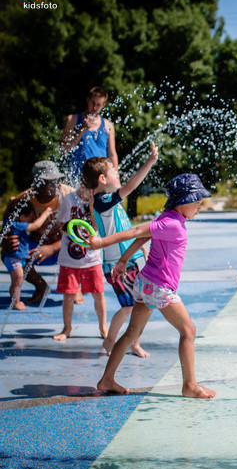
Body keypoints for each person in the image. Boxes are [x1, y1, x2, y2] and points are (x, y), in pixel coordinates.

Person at [86, 173, 216, 399]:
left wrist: (124, 260)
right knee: (188, 330)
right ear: (183, 201)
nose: (199, 207)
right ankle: (190, 386)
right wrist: (101, 243)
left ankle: (107, 379)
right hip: (158, 287)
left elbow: (144, 237)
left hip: (145, 284)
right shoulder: (172, 223)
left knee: (131, 333)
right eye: (197, 202)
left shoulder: (168, 218)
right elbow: (136, 231)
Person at [83, 142, 159, 358]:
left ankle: (134, 343)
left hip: (130, 260)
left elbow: (123, 228)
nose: (118, 174)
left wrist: (140, 248)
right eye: (114, 172)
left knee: (142, 304)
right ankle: (110, 340)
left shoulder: (107, 202)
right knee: (129, 306)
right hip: (117, 265)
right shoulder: (103, 200)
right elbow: (131, 186)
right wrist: (149, 162)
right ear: (102, 179)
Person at [2, 161, 74, 304]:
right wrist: (5, 240)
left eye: (56, 181)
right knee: (10, 252)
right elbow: (7, 225)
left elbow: (79, 230)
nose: (54, 186)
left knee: (80, 246)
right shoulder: (24, 199)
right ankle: (41, 286)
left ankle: (73, 288)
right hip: (35, 247)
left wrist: (52, 248)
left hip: (63, 246)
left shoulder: (70, 195)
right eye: (48, 182)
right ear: (37, 184)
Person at [53, 183, 107, 341]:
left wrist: (91, 205)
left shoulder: (98, 200)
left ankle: (103, 327)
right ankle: (67, 328)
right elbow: (63, 226)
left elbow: (96, 228)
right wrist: (76, 228)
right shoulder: (69, 200)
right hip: (69, 259)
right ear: (81, 185)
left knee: (98, 294)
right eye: (86, 187)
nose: (88, 191)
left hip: (92, 259)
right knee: (68, 295)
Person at [60, 87, 119, 184]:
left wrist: (116, 178)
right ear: (88, 100)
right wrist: (82, 129)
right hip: (78, 178)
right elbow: (65, 149)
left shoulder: (108, 125)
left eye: (98, 105)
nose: (95, 108)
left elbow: (112, 155)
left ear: (103, 105)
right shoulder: (73, 120)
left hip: (100, 180)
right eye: (93, 103)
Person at [2, 204, 53, 310]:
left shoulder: (9, 221)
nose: (32, 219)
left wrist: (11, 203)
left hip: (17, 258)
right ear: (22, 217)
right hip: (14, 258)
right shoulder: (17, 224)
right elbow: (35, 226)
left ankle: (16, 301)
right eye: (30, 217)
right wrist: (46, 213)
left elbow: (4, 216)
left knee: (18, 280)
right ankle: (16, 303)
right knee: (17, 280)